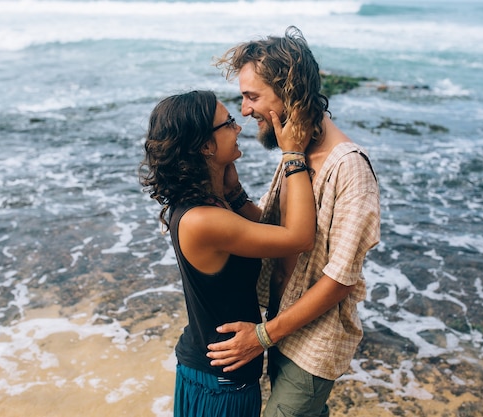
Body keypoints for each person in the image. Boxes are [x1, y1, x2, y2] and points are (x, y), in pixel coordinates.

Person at [207, 27, 381, 416]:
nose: (245, 110)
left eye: (252, 97)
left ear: (289, 95)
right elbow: (274, 232)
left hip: (312, 344)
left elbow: (340, 280)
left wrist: (260, 338)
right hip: (279, 325)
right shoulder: (294, 150)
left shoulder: (349, 168)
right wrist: (233, 192)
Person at [139, 90, 316, 417]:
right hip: (219, 382)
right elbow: (300, 238)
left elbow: (265, 231)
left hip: (217, 372)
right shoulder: (204, 220)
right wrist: (293, 154)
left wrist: (233, 192)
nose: (239, 128)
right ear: (206, 146)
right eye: (229, 123)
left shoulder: (209, 205)